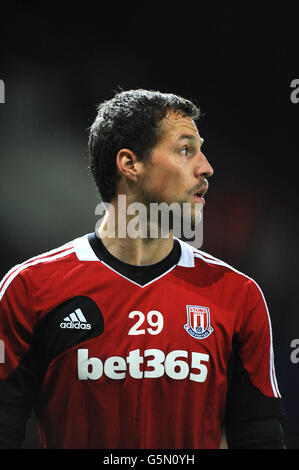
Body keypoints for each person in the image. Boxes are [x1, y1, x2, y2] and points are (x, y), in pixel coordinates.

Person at [0, 89, 286, 449]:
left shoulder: (238, 296)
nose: (206, 167)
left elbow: (260, 436)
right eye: (186, 150)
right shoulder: (30, 288)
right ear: (130, 164)